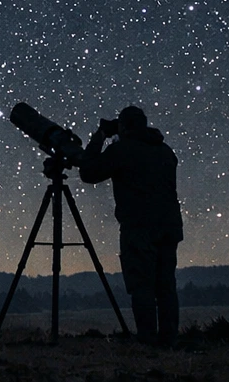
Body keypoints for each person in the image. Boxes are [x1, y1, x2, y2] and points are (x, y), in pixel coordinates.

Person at [78, 105, 184, 346]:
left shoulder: (123, 150)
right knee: (166, 285)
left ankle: (147, 339)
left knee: (142, 285)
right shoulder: (165, 150)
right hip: (169, 227)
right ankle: (169, 339)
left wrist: (100, 137)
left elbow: (89, 172)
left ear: (125, 127)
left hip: (139, 227)